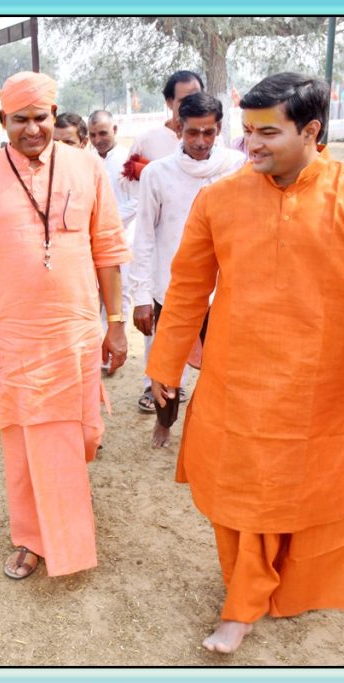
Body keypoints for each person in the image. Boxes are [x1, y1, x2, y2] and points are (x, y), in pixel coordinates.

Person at [147, 73, 344, 654]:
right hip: (235, 380)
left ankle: (256, 597)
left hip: (315, 388)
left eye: (268, 132)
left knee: (292, 493)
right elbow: (186, 290)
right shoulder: (220, 198)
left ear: (311, 131)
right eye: (247, 131)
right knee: (238, 494)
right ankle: (248, 593)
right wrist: (164, 364)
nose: (250, 144)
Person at [0, 72, 131, 580]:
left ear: (54, 114)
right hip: (12, 334)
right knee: (24, 442)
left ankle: (61, 500)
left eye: (40, 117)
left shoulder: (86, 166)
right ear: (3, 121)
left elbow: (108, 249)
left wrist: (116, 322)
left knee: (82, 437)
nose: (31, 129)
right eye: (19, 120)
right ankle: (34, 537)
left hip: (75, 333)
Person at [128, 92, 246, 446]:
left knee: (224, 367)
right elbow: (144, 236)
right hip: (170, 288)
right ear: (178, 129)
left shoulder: (238, 166)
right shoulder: (157, 173)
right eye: (192, 132)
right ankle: (164, 422)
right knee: (166, 365)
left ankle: (217, 430)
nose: (200, 141)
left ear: (219, 129)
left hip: (224, 289)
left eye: (208, 132)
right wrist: (141, 297)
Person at [122, 69, 204, 413]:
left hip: (206, 259)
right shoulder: (149, 141)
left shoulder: (211, 140)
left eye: (196, 97)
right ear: (170, 102)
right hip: (163, 253)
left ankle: (185, 389)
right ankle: (153, 387)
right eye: (184, 100)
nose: (201, 138)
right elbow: (130, 189)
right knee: (160, 328)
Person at [87, 110, 138, 362]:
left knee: (120, 296)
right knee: (94, 295)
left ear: (115, 130)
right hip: (91, 242)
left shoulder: (129, 160)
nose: (98, 140)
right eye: (93, 135)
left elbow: (137, 200)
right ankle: (98, 350)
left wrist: (107, 220)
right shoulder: (86, 161)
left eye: (103, 133)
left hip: (123, 240)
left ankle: (115, 347)